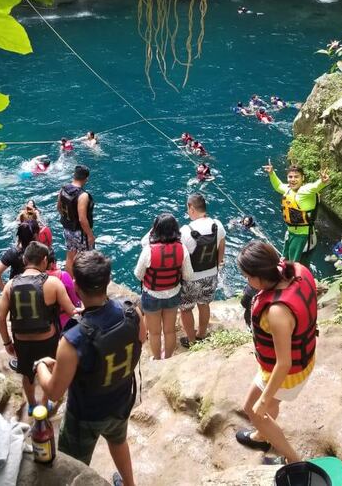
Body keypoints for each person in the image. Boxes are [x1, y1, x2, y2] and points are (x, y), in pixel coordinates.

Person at [35, 251, 145, 486]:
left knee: (73, 465)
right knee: (118, 441)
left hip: (85, 415)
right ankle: (129, 484)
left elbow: (54, 392)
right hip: (121, 400)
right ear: (107, 281)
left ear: (75, 286)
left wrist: (41, 366)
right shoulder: (131, 311)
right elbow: (141, 339)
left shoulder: (74, 338)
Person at [235, 241, 317, 464]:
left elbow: (284, 363)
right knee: (271, 405)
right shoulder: (299, 270)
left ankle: (294, 461)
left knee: (253, 410)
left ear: (258, 276)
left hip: (287, 375)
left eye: (247, 277)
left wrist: (263, 401)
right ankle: (262, 436)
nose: (247, 282)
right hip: (306, 361)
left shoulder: (277, 312)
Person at [0, 241, 77, 416]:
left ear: (25, 260)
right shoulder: (53, 283)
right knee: (48, 369)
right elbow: (72, 311)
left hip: (21, 341)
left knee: (27, 374)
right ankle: (43, 404)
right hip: (47, 339)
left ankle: (32, 405)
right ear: (44, 260)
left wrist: (7, 342)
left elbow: (0, 318)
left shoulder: (10, 285)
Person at [134, 213, 193, 359]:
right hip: (173, 294)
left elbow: (138, 274)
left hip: (151, 295)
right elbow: (188, 275)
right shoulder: (182, 249)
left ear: (156, 230)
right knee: (169, 331)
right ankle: (168, 357)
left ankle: (157, 359)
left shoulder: (149, 250)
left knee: (154, 333)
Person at [179, 194, 225, 348]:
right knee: (204, 304)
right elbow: (221, 248)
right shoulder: (217, 224)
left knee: (186, 309)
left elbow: (181, 257)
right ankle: (202, 334)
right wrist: (216, 268)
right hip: (211, 273)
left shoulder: (185, 230)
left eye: (188, 208)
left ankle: (192, 340)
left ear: (192, 208)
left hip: (191, 277)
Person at [264, 161, 329, 264]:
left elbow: (314, 187)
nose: (293, 180)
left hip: (303, 236)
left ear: (302, 178)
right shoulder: (288, 189)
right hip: (291, 233)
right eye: (290, 177)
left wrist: (322, 181)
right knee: (285, 261)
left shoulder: (305, 191)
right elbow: (278, 186)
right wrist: (272, 173)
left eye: (296, 177)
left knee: (296, 265)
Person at [58, 165, 95, 275]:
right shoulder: (83, 196)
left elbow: (59, 207)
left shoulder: (63, 189)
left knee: (70, 256)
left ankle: (69, 282)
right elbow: (82, 219)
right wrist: (90, 235)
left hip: (67, 229)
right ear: (86, 179)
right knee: (86, 259)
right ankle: (83, 285)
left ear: (74, 175)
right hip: (80, 233)